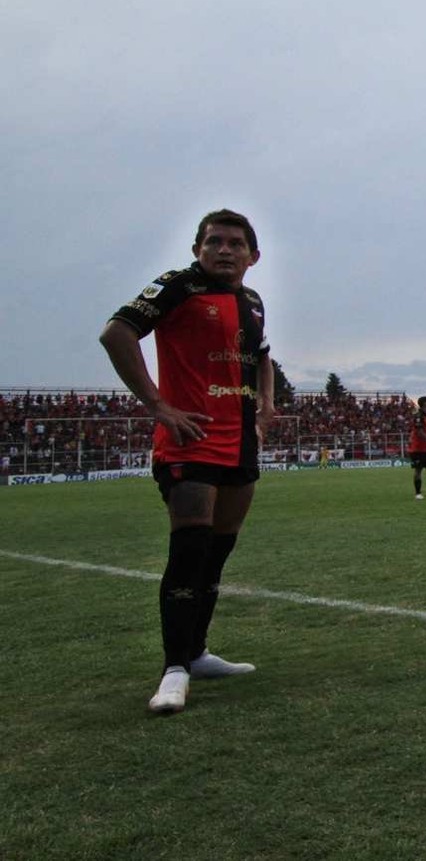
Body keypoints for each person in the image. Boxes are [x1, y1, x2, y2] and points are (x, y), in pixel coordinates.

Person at [100, 209, 274, 715]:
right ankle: (174, 668)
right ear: (198, 249)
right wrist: (158, 406)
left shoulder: (252, 301)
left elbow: (262, 354)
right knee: (190, 549)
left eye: (235, 243)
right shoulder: (178, 286)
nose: (224, 250)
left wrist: (266, 403)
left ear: (253, 256)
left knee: (217, 554)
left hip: (239, 442)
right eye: (214, 241)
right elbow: (116, 333)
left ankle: (196, 653)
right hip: (190, 439)